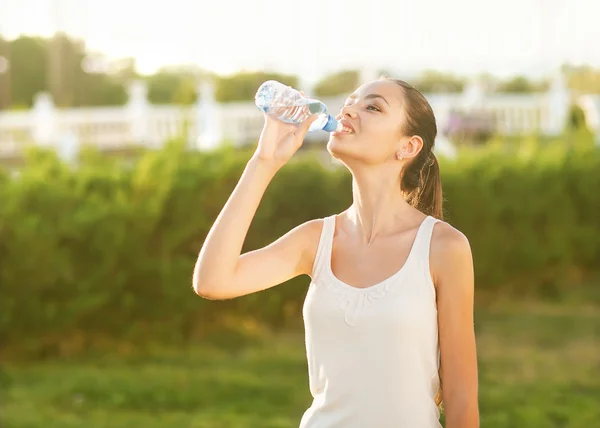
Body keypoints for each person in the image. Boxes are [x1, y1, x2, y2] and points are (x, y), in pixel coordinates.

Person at [193, 77, 480, 428]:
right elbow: (212, 280)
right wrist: (264, 161)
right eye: (350, 102)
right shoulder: (316, 239)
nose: (349, 110)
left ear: (408, 147)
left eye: (372, 107)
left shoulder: (443, 247)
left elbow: (462, 399)